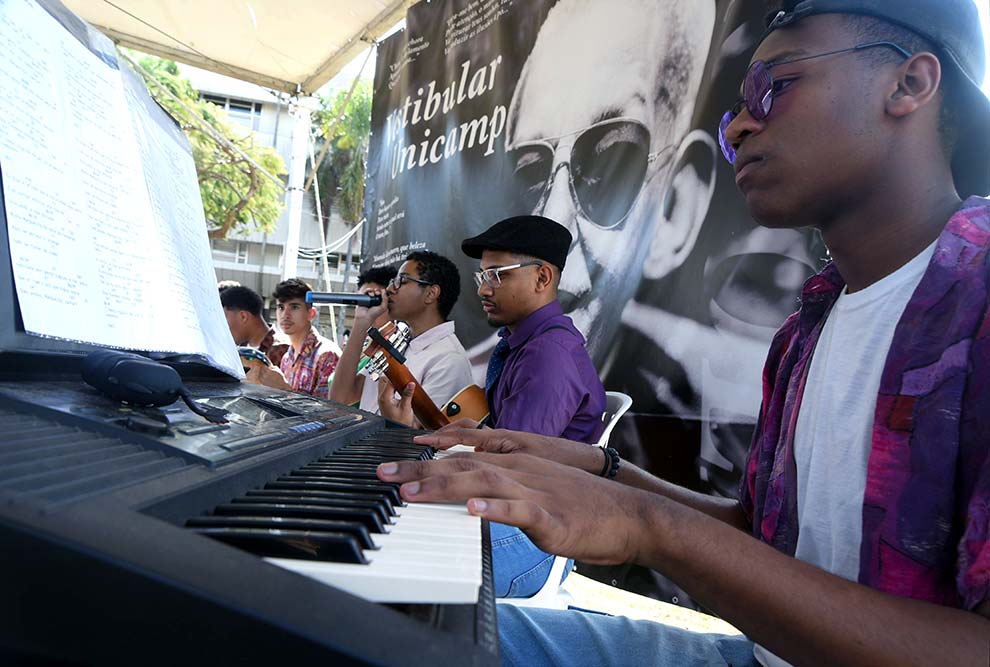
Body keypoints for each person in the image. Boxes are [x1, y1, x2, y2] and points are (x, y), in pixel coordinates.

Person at [377, 1, 990, 665]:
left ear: (910, 84)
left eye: (773, 87)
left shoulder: (976, 299)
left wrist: (648, 524)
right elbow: (760, 536)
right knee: (397, 633)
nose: (742, 127)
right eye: (735, 107)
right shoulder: (807, 330)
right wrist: (605, 470)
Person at [484, 0, 718, 359]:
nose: (553, 222)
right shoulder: (482, 381)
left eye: (609, 162)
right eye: (530, 174)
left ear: (676, 208)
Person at [460, 214, 607, 598]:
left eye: (498, 275)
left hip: (534, 542)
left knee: (404, 555)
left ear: (542, 278)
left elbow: (514, 466)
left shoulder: (547, 354)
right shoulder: (526, 344)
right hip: (516, 519)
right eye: (482, 276)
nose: (483, 290)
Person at [330, 253, 473, 423]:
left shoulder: (449, 359)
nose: (390, 289)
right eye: (393, 282)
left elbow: (421, 435)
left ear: (431, 294)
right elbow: (340, 398)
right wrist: (361, 322)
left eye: (402, 281)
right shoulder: (398, 340)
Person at [247, 278, 341, 399]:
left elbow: (328, 412)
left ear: (311, 313)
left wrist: (283, 389)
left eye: (294, 307)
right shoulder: (287, 358)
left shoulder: (327, 355)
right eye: (281, 307)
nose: (285, 315)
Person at [326, 265, 397, 402]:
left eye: (373, 300)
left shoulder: (394, 347)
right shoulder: (363, 344)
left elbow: (342, 398)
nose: (366, 307)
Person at [219, 284, 289, 367]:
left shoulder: (282, 351)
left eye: (225, 321)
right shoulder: (235, 351)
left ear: (243, 316)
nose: (222, 328)